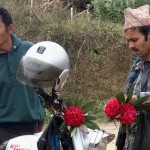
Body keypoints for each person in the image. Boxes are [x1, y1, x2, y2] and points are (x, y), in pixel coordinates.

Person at [0, 7, 44, 144]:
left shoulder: (30, 50)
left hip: (33, 129)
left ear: (10, 28)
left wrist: (40, 116)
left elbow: (41, 88)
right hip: (3, 132)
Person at [116, 5, 150, 150]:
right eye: (128, 41)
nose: (130, 45)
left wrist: (138, 99)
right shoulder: (138, 65)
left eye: (135, 40)